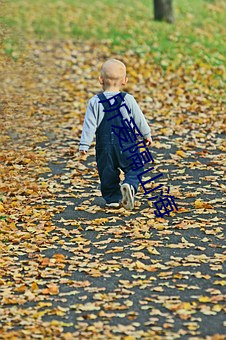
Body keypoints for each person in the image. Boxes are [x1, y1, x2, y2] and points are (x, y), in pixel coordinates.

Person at [79, 59, 152, 210]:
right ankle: (130, 185)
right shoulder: (128, 99)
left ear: (101, 79)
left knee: (107, 172)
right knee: (136, 166)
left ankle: (112, 199)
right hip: (127, 142)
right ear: (125, 81)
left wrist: (84, 144)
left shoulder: (95, 102)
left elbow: (89, 125)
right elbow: (139, 119)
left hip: (105, 146)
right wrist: (146, 134)